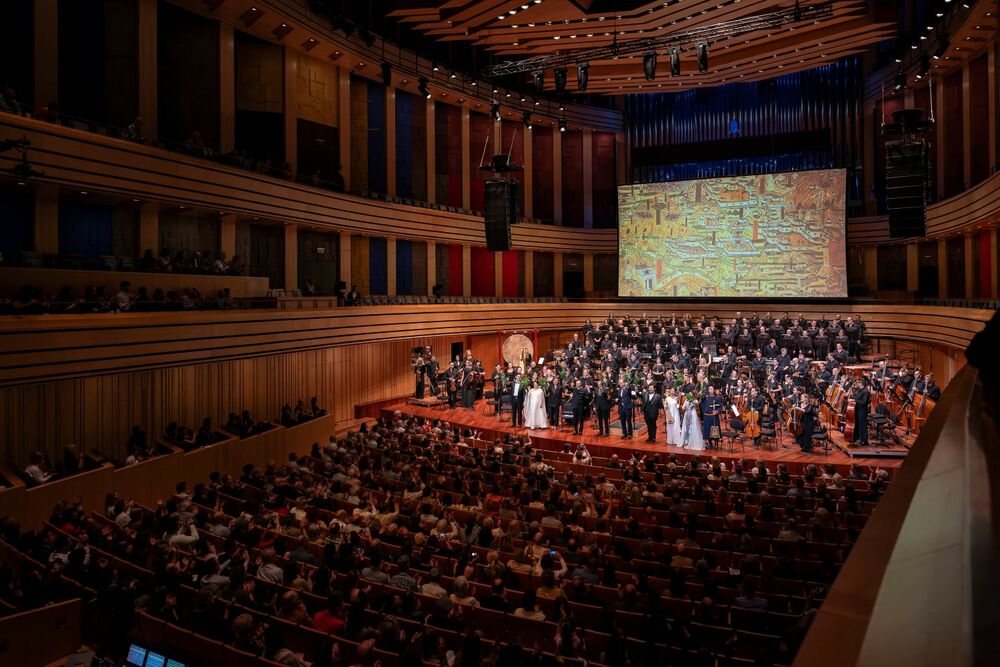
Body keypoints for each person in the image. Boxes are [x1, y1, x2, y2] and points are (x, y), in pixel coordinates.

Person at [700, 385, 723, 450]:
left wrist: (717, 411)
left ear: (714, 390)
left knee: (715, 430)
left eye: (711, 389)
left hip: (714, 417)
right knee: (707, 431)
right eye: (709, 389)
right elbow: (700, 402)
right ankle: (710, 444)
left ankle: (716, 444)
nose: (710, 390)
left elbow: (720, 407)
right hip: (707, 417)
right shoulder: (705, 398)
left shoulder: (717, 398)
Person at [852, 378, 872, 446]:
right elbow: (855, 397)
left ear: (861, 383)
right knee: (858, 424)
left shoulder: (866, 392)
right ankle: (859, 438)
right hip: (858, 409)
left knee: (862, 425)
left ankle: (864, 441)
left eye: (857, 383)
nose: (856, 384)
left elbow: (863, 402)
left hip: (863, 410)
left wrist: (855, 400)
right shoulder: (859, 390)